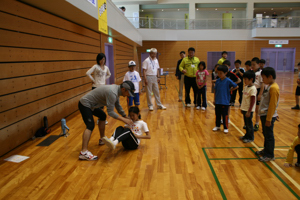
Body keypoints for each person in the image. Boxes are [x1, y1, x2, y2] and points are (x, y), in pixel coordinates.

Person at [78, 81, 135, 161]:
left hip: (92, 105)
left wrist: (125, 116)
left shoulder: (117, 90)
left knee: (102, 116)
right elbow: (110, 112)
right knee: (90, 126)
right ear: (123, 89)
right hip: (85, 104)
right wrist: (124, 120)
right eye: (128, 93)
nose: (128, 95)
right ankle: (83, 152)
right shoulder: (113, 93)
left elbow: (117, 105)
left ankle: (102, 139)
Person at [255, 67, 280, 162]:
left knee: (269, 135)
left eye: (264, 78)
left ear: (270, 77)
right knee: (265, 134)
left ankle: (269, 155)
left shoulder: (274, 88)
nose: (263, 80)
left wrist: (270, 118)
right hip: (264, 115)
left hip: (268, 116)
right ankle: (266, 150)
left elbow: (273, 104)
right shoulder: (269, 86)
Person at [86, 53, 111, 125]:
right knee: (95, 104)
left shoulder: (106, 67)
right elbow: (87, 73)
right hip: (95, 87)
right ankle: (98, 118)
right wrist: (94, 80)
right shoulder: (95, 66)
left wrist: (104, 79)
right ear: (98, 59)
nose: (102, 60)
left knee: (102, 103)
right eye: (101, 59)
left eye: (103, 59)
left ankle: (102, 118)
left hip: (103, 87)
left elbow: (109, 74)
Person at [213, 65, 238, 133]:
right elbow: (215, 90)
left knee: (224, 115)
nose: (219, 74)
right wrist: (214, 99)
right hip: (218, 101)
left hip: (225, 101)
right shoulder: (217, 81)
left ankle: (225, 127)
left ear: (225, 73)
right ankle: (217, 126)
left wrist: (230, 90)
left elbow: (236, 86)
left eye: (221, 73)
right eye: (218, 73)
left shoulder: (228, 81)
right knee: (217, 114)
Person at [239, 71, 257, 143]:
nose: (244, 81)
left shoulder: (253, 88)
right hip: (244, 108)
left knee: (249, 124)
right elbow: (244, 98)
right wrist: (241, 107)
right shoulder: (246, 87)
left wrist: (249, 111)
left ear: (251, 79)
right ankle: (246, 135)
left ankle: (250, 137)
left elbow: (253, 101)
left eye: (246, 79)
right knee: (246, 124)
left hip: (248, 110)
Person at [252, 57, 265, 131]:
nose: (252, 66)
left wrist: (260, 94)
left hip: (258, 90)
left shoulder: (260, 73)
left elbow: (262, 84)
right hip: (252, 91)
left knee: (257, 109)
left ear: (259, 64)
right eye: (252, 65)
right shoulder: (252, 72)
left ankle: (257, 123)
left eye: (254, 65)